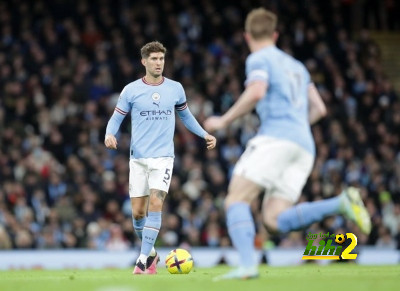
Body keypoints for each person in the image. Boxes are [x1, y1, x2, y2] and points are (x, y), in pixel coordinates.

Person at [204, 8, 371, 280]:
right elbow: (319, 109)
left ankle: (247, 267)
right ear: (275, 34)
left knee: (236, 198)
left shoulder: (258, 58)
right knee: (273, 221)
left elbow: (256, 91)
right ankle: (341, 202)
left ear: (247, 36)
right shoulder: (297, 67)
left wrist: (223, 121)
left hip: (276, 137)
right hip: (304, 145)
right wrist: (296, 127)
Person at [105, 41, 216, 275]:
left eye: (161, 59)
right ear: (144, 61)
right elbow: (116, 118)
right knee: (137, 214)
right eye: (154, 59)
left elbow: (186, 117)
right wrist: (109, 134)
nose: (158, 63)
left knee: (155, 204)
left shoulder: (175, 88)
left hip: (164, 158)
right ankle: (152, 253)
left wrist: (204, 133)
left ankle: (143, 260)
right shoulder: (131, 90)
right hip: (138, 159)